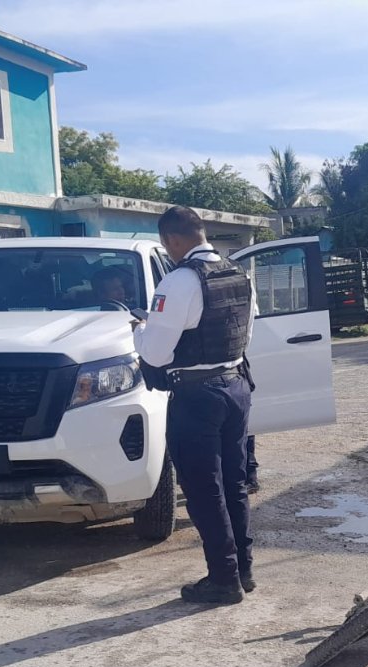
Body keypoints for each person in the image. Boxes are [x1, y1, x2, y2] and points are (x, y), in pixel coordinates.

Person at [132, 206, 256, 605]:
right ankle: (244, 570)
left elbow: (155, 353)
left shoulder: (179, 281)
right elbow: (245, 331)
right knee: (234, 484)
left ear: (172, 241)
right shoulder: (239, 274)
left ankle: (223, 579)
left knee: (204, 491)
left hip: (197, 396)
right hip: (236, 386)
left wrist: (140, 332)